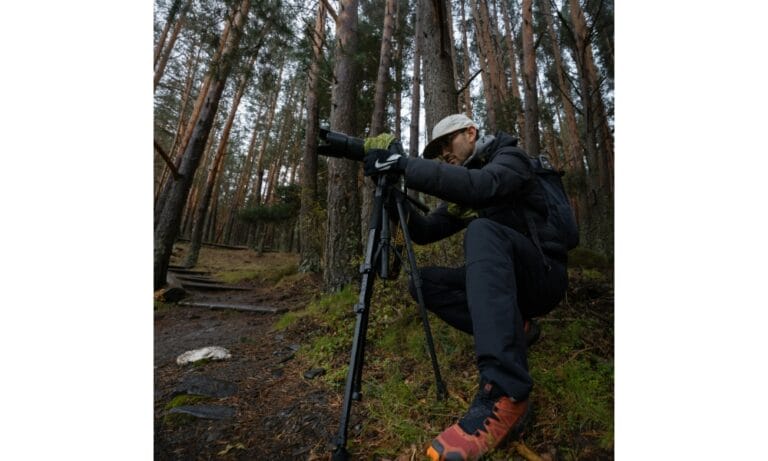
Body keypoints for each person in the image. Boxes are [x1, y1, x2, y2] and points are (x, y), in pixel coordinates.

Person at [363, 114, 569, 461]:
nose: (443, 154)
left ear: (471, 132)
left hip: (544, 278)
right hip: (506, 285)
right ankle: (519, 328)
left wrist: (406, 165)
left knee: (482, 230)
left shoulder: (510, 160)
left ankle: (506, 392)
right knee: (422, 283)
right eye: (437, 150)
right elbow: (427, 231)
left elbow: (481, 186)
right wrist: (393, 192)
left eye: (447, 144)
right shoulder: (467, 191)